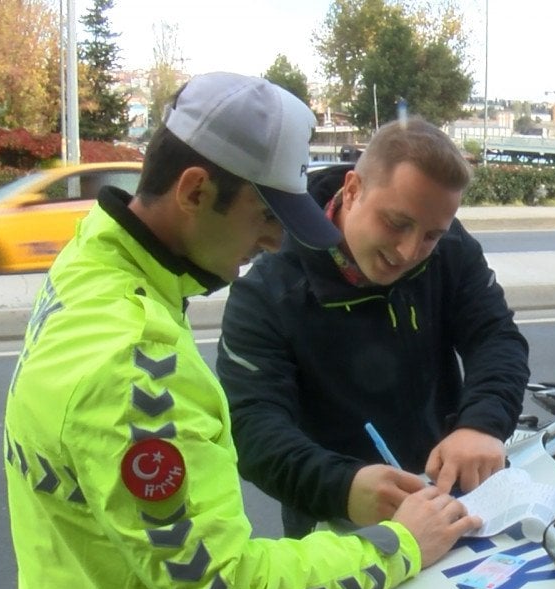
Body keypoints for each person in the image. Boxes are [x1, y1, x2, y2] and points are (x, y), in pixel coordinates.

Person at [2, 72, 480, 589]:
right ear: (196, 190)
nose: (275, 236)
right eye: (264, 212)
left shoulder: (90, 264)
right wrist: (401, 544)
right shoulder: (135, 367)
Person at [217, 118, 530, 542]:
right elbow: (252, 426)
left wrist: (483, 424)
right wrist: (343, 486)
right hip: (339, 519)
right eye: (397, 223)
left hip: (450, 496)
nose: (409, 251)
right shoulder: (268, 290)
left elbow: (495, 337)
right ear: (352, 189)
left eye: (430, 235)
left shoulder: (450, 249)